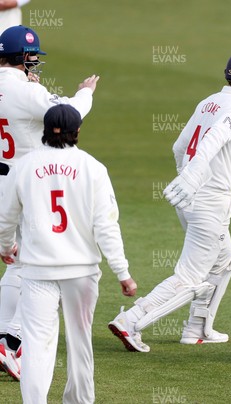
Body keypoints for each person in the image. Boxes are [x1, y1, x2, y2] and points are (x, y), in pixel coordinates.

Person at [108, 48, 231, 352]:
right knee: (189, 277)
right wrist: (193, 177)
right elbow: (212, 141)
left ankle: (197, 328)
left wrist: (186, 176)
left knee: (226, 257)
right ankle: (131, 321)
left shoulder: (210, 101)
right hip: (210, 201)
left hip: (190, 197)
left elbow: (179, 146)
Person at [0, 104, 138, 404]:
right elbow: (106, 226)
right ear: (78, 131)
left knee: (37, 346)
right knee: (80, 342)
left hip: (37, 272)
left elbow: (5, 217)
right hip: (82, 272)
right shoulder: (93, 168)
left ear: (45, 130)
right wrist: (123, 272)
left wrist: (5, 246)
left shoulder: (24, 166)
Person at [0, 24, 99, 380]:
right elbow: (68, 115)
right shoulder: (24, 90)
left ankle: (5, 339)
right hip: (30, 183)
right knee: (42, 268)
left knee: (16, 262)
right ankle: (13, 341)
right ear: (24, 58)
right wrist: (85, 93)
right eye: (32, 60)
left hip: (3, 182)